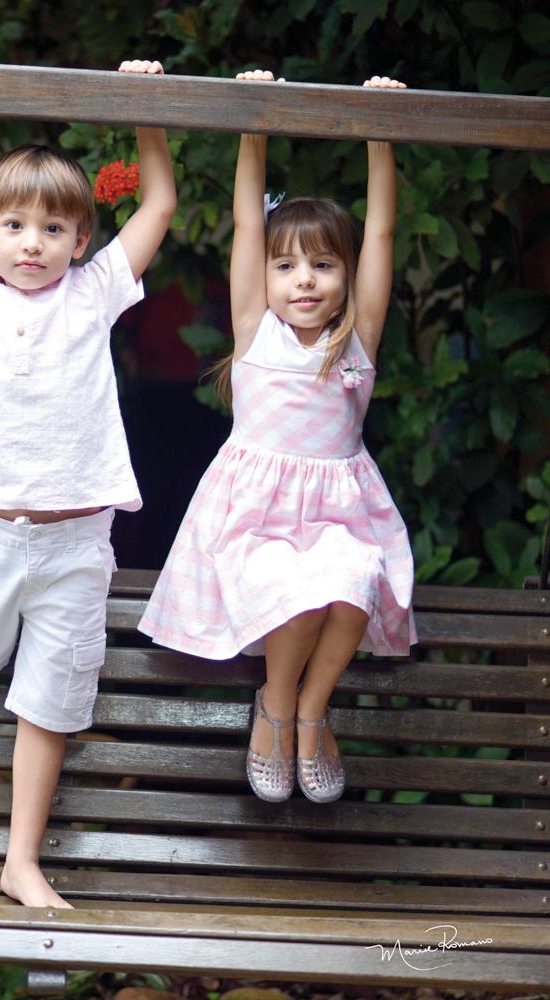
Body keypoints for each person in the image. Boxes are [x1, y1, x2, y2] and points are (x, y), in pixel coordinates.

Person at [0, 47, 176, 907]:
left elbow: (162, 201)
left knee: (52, 704)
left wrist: (144, 106)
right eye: (16, 227)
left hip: (77, 546)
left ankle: (20, 859)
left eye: (55, 229)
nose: (34, 244)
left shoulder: (96, 292)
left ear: (81, 240)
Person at [139, 71, 415, 806]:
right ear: (265, 275)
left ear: (347, 277)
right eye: (287, 265)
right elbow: (246, 222)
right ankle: (276, 708)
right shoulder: (256, 331)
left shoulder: (357, 341)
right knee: (297, 593)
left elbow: (382, 231)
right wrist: (252, 122)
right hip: (256, 522)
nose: (304, 281)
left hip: (339, 517)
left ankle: (309, 708)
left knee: (352, 581)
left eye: (324, 266)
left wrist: (380, 132)